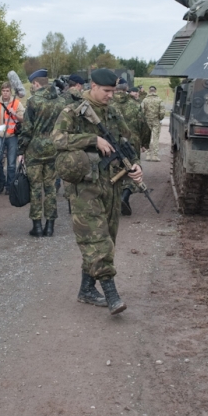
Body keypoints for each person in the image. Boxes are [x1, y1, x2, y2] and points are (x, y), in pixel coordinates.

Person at [52, 68, 145, 315]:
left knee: (107, 239)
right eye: (106, 91)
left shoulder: (112, 112)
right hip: (85, 188)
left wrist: (135, 165)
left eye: (113, 91)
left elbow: (126, 141)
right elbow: (57, 139)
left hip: (111, 185)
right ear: (92, 86)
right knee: (96, 240)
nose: (111, 95)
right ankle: (112, 295)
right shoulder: (73, 111)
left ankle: (86, 289)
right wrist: (92, 140)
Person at [18, 69, 65, 237]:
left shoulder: (33, 101)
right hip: (54, 148)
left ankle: (37, 226)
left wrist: (21, 149)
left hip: (35, 149)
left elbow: (27, 129)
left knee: (35, 188)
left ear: (36, 84)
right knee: (51, 188)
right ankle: (50, 226)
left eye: (33, 85)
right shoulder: (60, 101)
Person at [112, 78, 150, 215]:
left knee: (113, 170)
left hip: (112, 143)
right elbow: (144, 125)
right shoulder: (135, 104)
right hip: (132, 143)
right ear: (126, 88)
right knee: (133, 170)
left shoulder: (108, 103)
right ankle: (125, 196)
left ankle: (113, 201)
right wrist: (145, 143)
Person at [0, 82, 23, 194]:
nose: (5, 93)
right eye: (3, 91)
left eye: (7, 91)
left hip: (12, 136)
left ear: (10, 92)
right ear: (1, 91)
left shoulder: (17, 103)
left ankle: (10, 186)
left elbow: (23, 119)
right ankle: (2, 182)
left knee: (11, 164)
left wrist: (15, 114)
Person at [141, 85, 165, 162]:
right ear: (155, 91)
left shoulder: (145, 100)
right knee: (155, 138)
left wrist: (144, 119)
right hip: (156, 121)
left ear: (149, 91)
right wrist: (160, 118)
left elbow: (142, 110)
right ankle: (155, 155)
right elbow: (162, 112)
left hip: (147, 121)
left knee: (147, 138)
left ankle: (148, 155)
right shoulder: (159, 100)